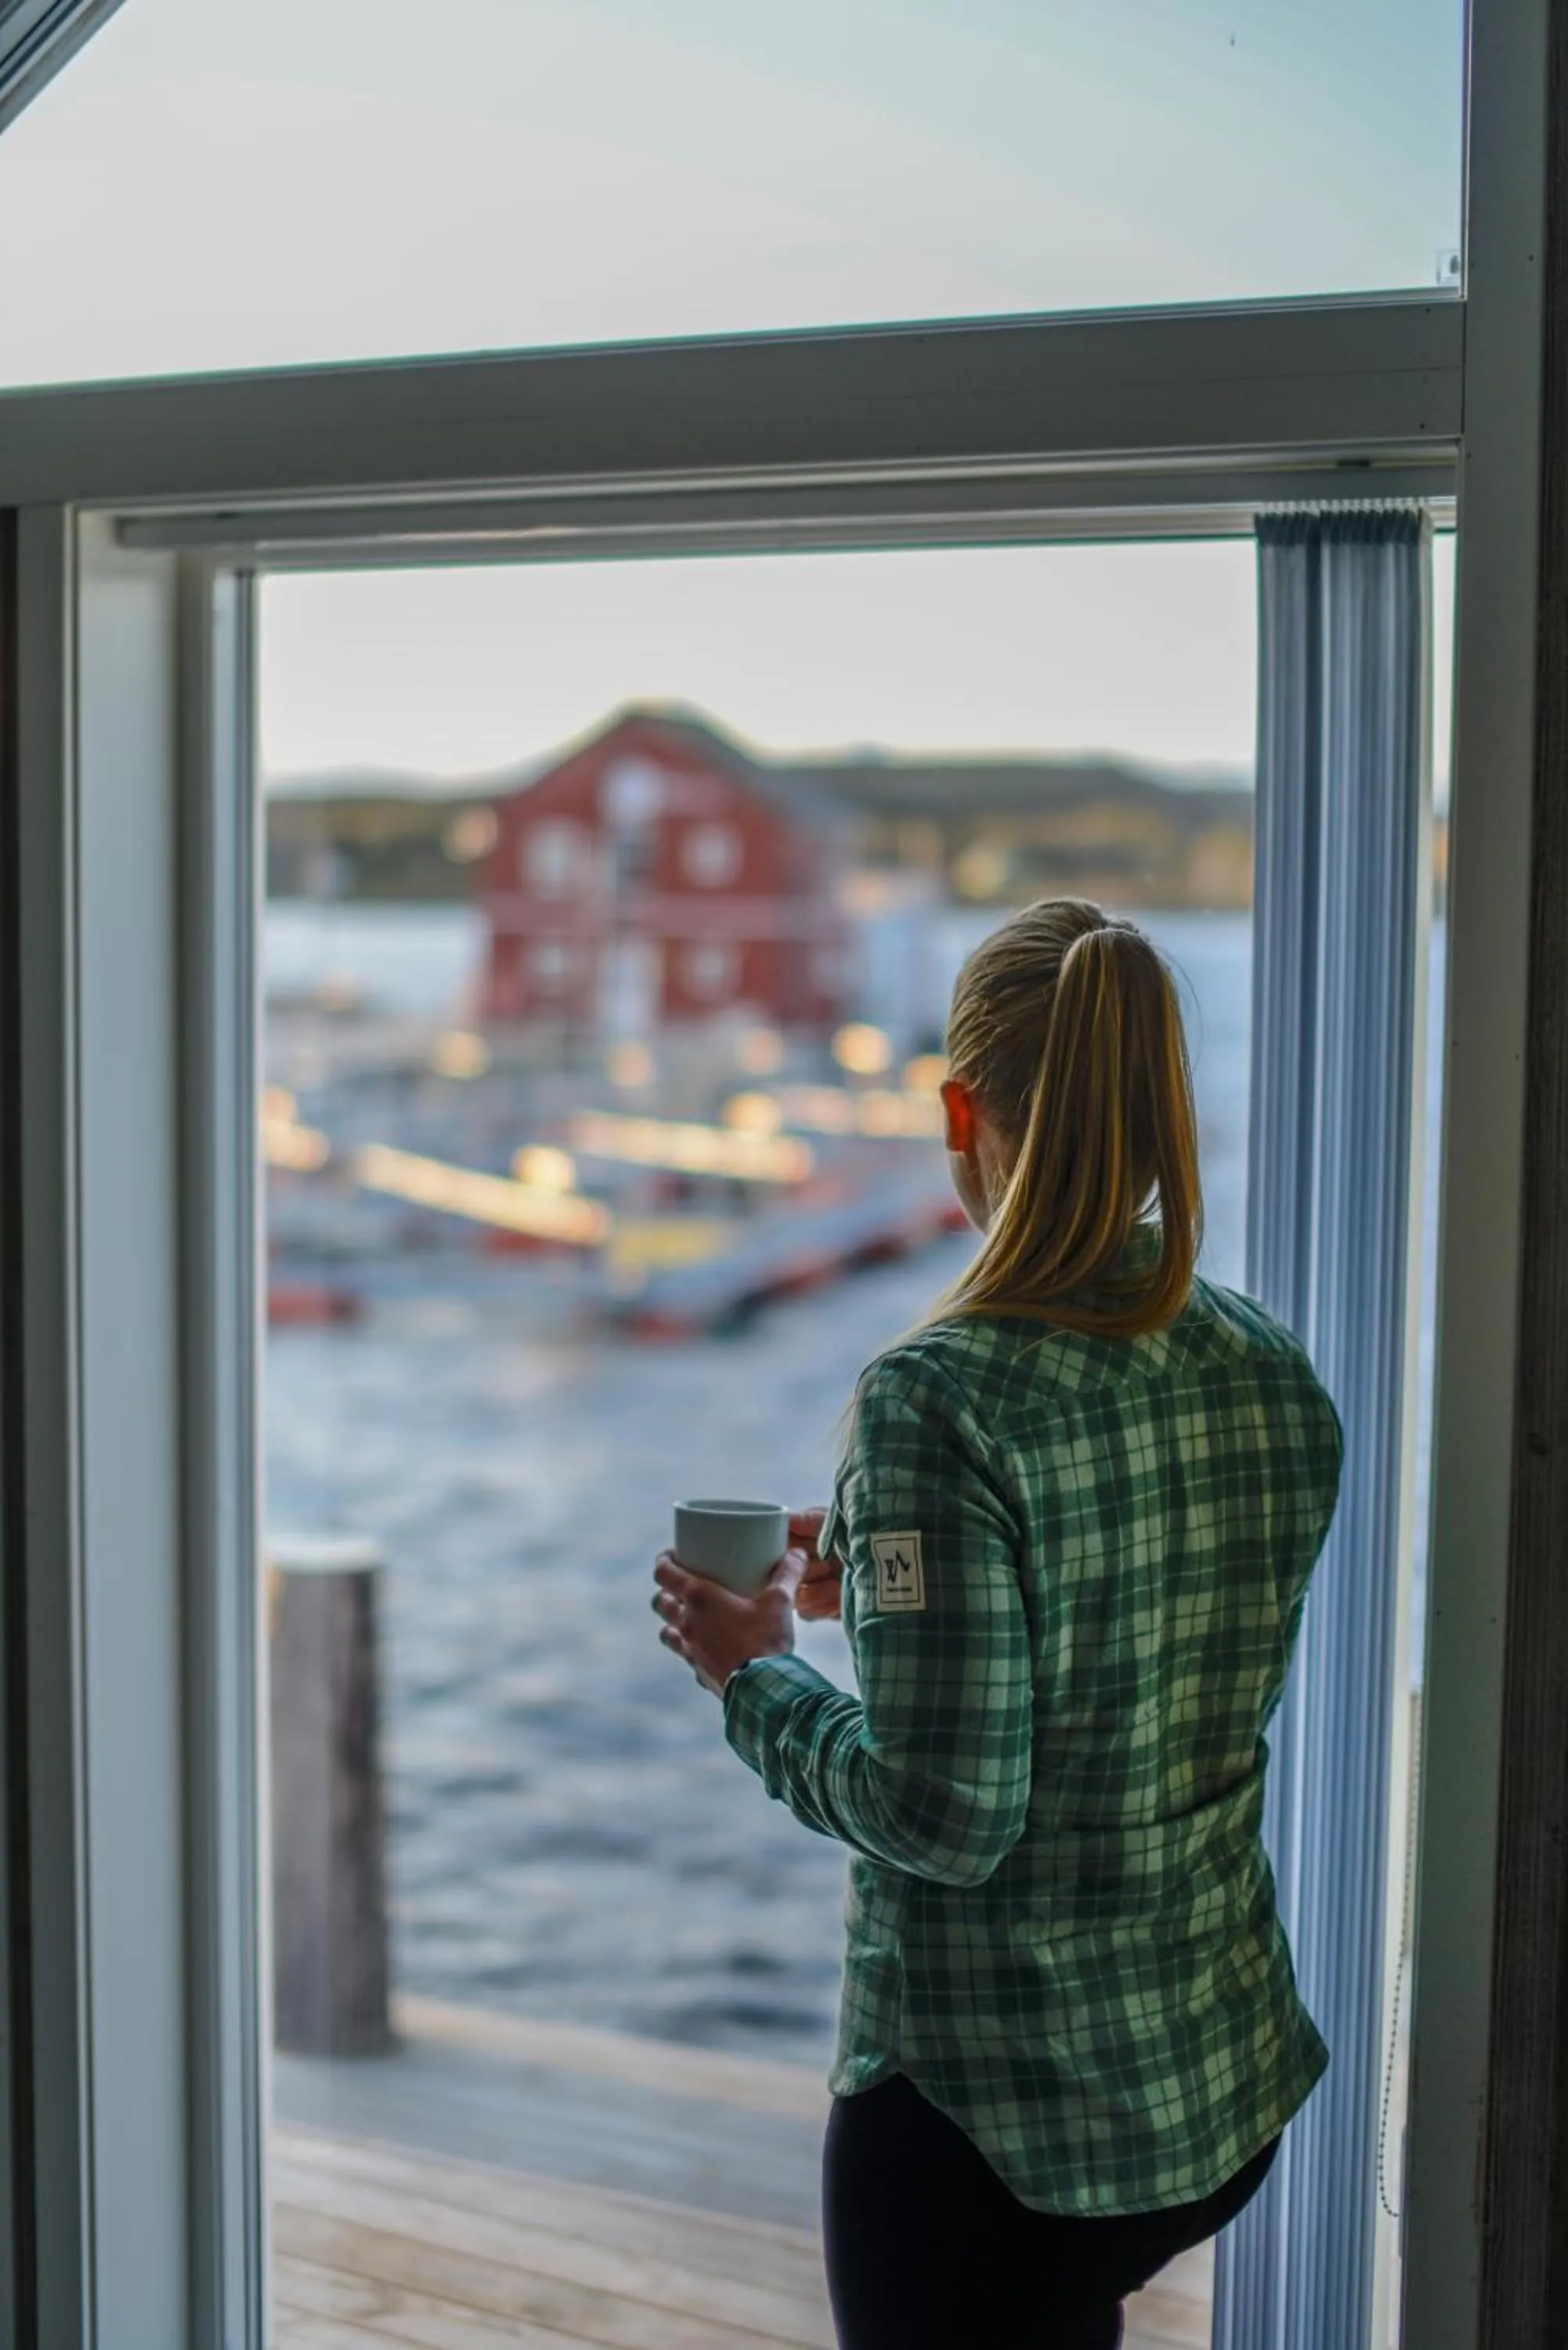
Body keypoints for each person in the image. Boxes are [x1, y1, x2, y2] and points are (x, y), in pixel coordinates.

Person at [652, 897, 1342, 2350]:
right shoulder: (1267, 1366)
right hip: (1209, 2081)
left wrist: (755, 1676)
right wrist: (896, 1576)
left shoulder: (939, 1397)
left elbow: (944, 1814)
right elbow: (1150, 1628)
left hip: (998, 2130)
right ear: (1160, 1105)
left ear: (958, 1110)